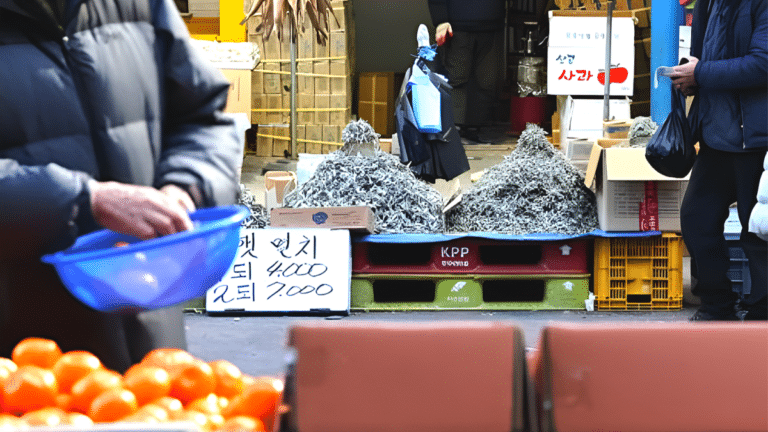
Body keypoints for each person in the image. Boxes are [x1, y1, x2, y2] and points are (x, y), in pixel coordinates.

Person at [0, 0, 242, 371]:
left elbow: (201, 117)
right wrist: (84, 200)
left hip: (151, 336)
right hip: (23, 355)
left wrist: (184, 186)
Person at [672, 0, 767, 320]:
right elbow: (701, 60)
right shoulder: (708, 3)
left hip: (757, 141)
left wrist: (699, 73)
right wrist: (688, 79)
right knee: (696, 219)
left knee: (757, 231)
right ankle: (716, 305)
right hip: (716, 136)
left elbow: (762, 64)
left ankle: (762, 312)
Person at [428, 0, 505, 144]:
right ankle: (454, 129)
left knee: (487, 80)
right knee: (456, 77)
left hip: (492, 24)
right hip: (457, 26)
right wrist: (441, 20)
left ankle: (476, 128)